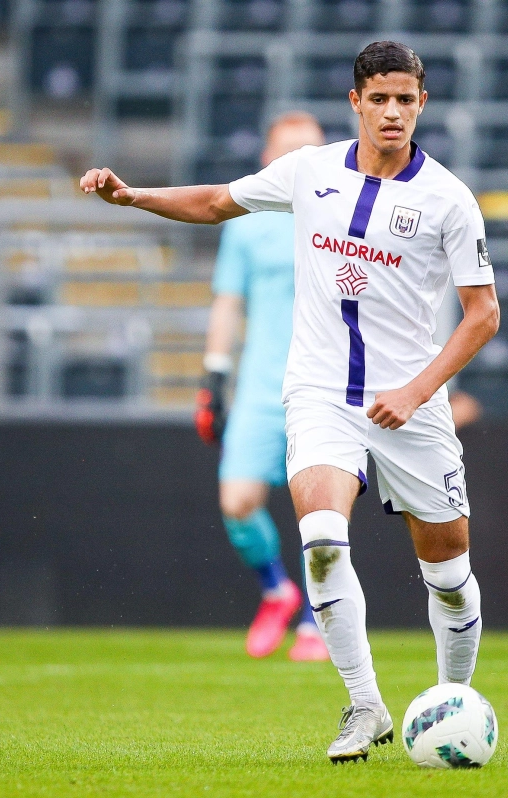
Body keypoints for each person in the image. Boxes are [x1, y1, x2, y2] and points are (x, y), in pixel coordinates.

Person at [81, 40, 499, 764]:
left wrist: (418, 390)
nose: (393, 111)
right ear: (357, 103)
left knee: (450, 575)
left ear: (422, 103)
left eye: (407, 99)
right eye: (380, 99)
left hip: (412, 404)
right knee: (323, 538)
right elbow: (217, 202)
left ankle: (452, 703)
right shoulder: (310, 172)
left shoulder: (448, 199)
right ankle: (364, 707)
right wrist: (135, 196)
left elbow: (483, 313)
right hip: (320, 393)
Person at [195, 112, 330, 662]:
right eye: (288, 153)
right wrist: (213, 375)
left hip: (324, 386)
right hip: (260, 385)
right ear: (268, 162)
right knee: (238, 502)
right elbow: (229, 300)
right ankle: (277, 590)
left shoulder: (348, 220)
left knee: (320, 510)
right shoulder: (246, 221)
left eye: (310, 153)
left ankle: (319, 619)